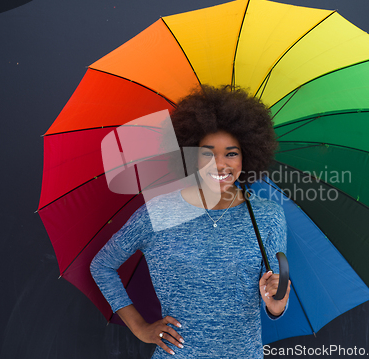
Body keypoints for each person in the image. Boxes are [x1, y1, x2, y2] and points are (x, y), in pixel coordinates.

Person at [90, 85, 290, 358]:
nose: (220, 164)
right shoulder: (159, 213)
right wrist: (139, 328)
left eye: (231, 153)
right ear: (190, 154)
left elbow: (274, 301)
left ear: (247, 156)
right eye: (208, 153)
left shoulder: (268, 217)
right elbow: (102, 266)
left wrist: (276, 303)